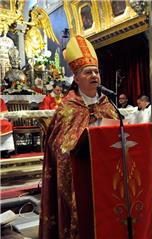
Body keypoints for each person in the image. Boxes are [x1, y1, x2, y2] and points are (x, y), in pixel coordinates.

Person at [39, 35, 119, 239]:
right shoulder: (67, 107)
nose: (94, 75)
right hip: (78, 175)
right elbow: (57, 145)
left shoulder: (108, 105)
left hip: (107, 177)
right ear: (76, 78)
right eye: (88, 72)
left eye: (96, 71)